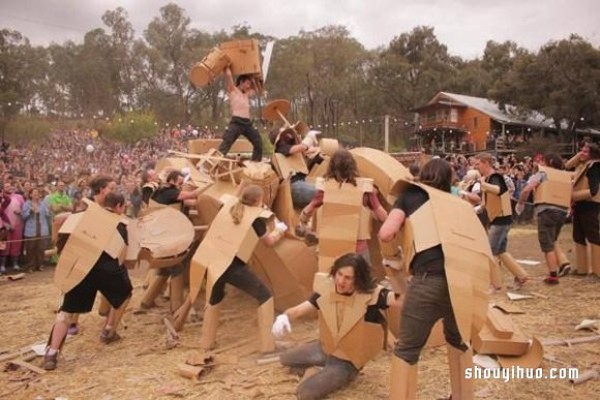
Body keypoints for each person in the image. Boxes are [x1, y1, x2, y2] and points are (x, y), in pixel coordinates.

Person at [379, 158, 485, 400]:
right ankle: (463, 396)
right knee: (460, 341)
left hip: (427, 280)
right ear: (450, 180)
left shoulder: (409, 197)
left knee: (406, 349)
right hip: (461, 282)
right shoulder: (457, 203)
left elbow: (385, 233)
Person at [272, 253, 402, 400]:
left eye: (348, 278)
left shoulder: (373, 295)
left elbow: (401, 299)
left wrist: (398, 274)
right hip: (327, 347)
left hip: (347, 359)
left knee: (306, 393)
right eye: (339, 274)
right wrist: (284, 317)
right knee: (285, 359)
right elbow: (301, 309)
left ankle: (329, 373)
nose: (340, 281)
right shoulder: (327, 288)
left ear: (358, 280)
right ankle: (319, 368)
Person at [42, 192, 132, 370]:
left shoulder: (83, 217)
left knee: (66, 312)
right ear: (119, 206)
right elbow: (123, 254)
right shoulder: (120, 223)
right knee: (124, 295)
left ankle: (52, 353)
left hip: (81, 268)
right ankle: (109, 330)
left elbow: (60, 222)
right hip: (107, 269)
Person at [197, 185, 287, 353]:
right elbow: (269, 243)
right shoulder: (256, 220)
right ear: (257, 201)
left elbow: (236, 201)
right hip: (232, 264)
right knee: (265, 297)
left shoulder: (228, 207)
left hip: (214, 260)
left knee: (215, 298)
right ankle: (268, 346)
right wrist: (279, 231)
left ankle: (206, 342)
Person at [296, 148, 387, 261]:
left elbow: (307, 211)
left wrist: (303, 221)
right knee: (362, 278)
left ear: (331, 167)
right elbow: (383, 217)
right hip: (357, 250)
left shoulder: (325, 190)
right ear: (353, 166)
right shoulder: (365, 190)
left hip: (331, 249)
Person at [474, 152, 528, 290]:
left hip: (500, 219)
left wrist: (482, 184)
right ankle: (521, 276)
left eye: (478, 163)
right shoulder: (489, 178)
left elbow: (498, 190)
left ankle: (495, 284)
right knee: (500, 251)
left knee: (490, 252)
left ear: (485, 163)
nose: (476, 166)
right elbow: (487, 202)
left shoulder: (495, 177)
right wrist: (476, 209)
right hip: (500, 218)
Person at [516, 153, 572, 284]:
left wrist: (520, 204)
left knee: (547, 244)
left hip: (546, 210)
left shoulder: (542, 173)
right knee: (552, 240)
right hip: (562, 211)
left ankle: (553, 275)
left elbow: (526, 190)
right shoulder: (565, 176)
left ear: (548, 162)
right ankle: (562, 264)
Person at [217, 66, 263, 161]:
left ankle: (255, 164)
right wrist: (226, 65)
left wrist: (255, 77)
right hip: (236, 122)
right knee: (226, 143)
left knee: (258, 143)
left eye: (250, 84)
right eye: (247, 84)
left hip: (247, 124)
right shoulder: (233, 90)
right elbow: (229, 75)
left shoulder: (246, 94)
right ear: (241, 82)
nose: (249, 86)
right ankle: (215, 163)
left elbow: (259, 90)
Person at [270, 125, 321, 209]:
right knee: (322, 194)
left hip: (302, 183)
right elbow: (300, 148)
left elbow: (309, 150)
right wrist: (309, 138)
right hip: (294, 186)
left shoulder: (292, 150)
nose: (288, 135)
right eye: (284, 133)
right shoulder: (280, 147)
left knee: (325, 189)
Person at [570, 143, 600, 276]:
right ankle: (582, 269)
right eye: (581, 150)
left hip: (589, 205)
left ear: (593, 154)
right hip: (579, 205)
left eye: (585, 152)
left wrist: (573, 196)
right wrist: (579, 155)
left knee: (593, 236)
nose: (582, 153)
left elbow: (594, 191)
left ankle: (598, 270)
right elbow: (565, 167)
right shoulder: (583, 166)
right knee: (578, 236)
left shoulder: (595, 167)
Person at [22, 188, 51, 272]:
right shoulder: (27, 204)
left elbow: (47, 215)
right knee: (30, 248)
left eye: (38, 192)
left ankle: (39, 265)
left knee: (41, 248)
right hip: (31, 230)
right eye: (34, 193)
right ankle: (30, 266)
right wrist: (30, 211)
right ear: (30, 195)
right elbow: (23, 216)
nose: (36, 194)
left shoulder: (42, 204)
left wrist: (48, 210)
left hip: (42, 229)